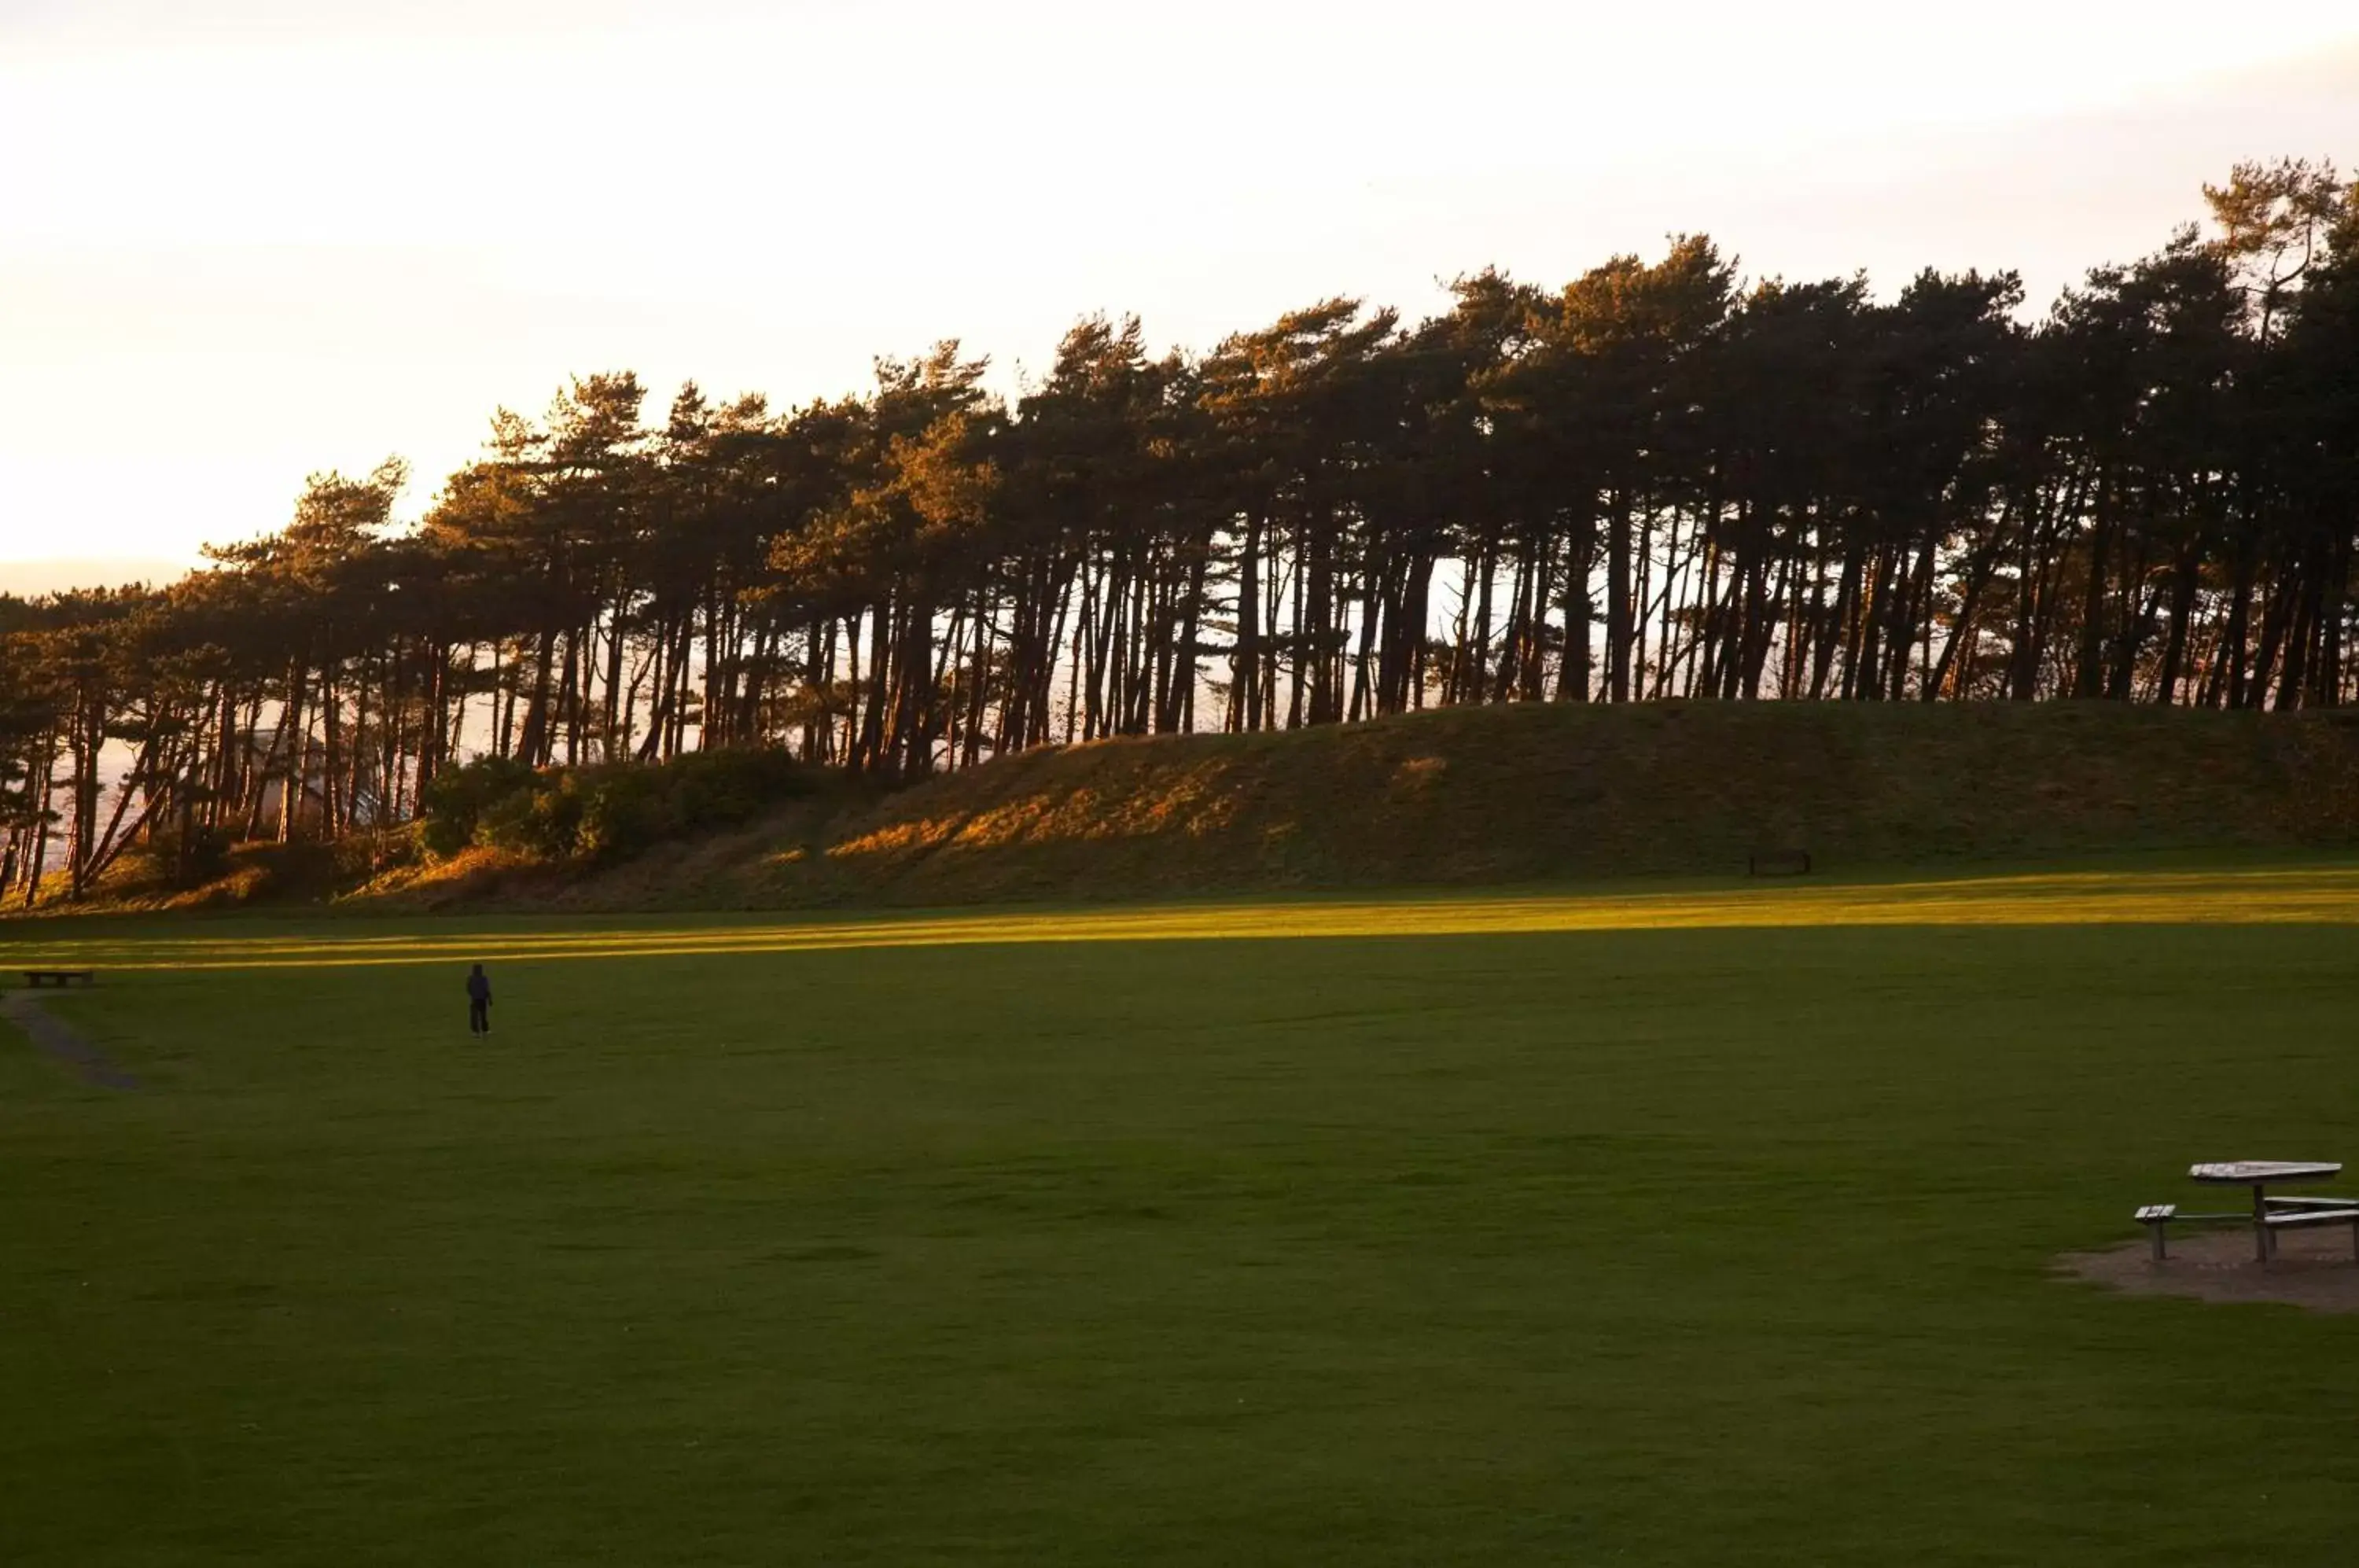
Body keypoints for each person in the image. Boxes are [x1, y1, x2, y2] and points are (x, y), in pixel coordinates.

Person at [466, 963, 492, 1036]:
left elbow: (468, 988)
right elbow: (487, 989)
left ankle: (477, 1031)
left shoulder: (472, 979)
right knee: (481, 1015)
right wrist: (489, 998)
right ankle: (483, 1030)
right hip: (481, 999)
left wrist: (473, 994)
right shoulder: (483, 979)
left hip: (476, 999)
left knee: (478, 1016)